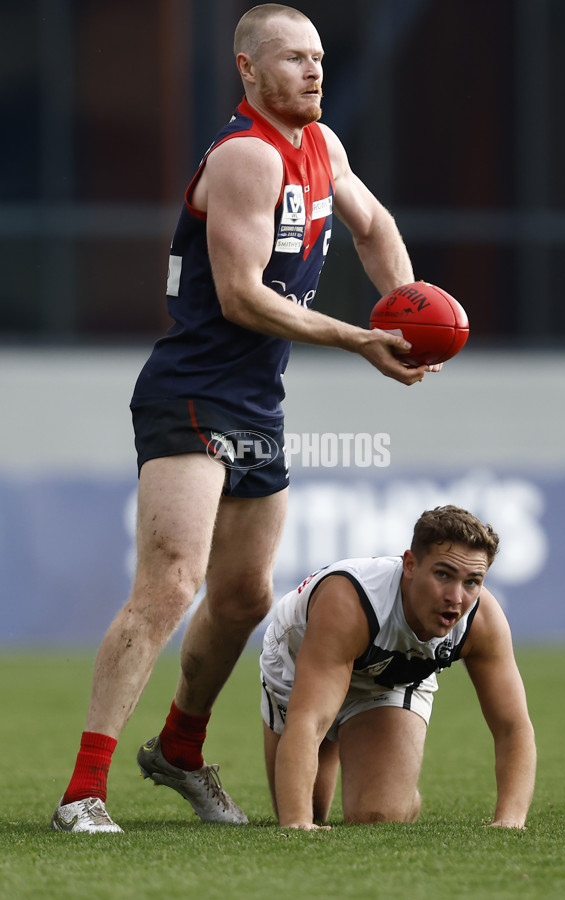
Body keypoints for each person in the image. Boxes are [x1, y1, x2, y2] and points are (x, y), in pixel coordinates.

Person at [51, 3, 440, 834]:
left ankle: (180, 753)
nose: (314, 71)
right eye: (294, 58)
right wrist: (359, 339)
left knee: (243, 596)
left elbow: (376, 226)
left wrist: (404, 308)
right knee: (170, 586)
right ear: (249, 71)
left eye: (321, 57)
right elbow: (241, 297)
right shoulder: (244, 159)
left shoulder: (323, 147)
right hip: (191, 389)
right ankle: (83, 791)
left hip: (258, 401)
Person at [261, 505, 537, 830]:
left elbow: (513, 727)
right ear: (409, 565)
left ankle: (393, 782)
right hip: (300, 663)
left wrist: (509, 821)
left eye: (472, 582)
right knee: (306, 810)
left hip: (389, 682)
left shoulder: (482, 620)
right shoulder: (351, 602)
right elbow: (308, 718)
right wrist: (297, 824)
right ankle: (340, 742)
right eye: (443, 575)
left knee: (378, 815)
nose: (456, 597)